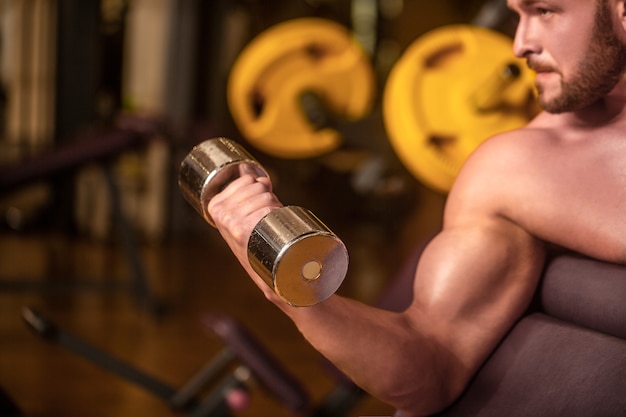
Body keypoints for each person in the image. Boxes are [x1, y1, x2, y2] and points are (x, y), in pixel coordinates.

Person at [208, 0, 626, 415]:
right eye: (518, 16)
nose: (520, 44)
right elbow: (433, 363)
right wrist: (291, 282)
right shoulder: (520, 168)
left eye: (545, 12)